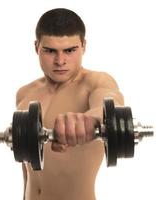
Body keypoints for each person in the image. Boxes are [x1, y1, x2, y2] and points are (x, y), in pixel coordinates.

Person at [16, 8, 124, 200]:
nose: (60, 61)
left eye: (70, 50)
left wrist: (89, 120)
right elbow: (27, 166)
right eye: (50, 51)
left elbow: (109, 104)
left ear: (83, 46)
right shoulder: (25, 94)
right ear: (36, 47)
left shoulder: (95, 83)